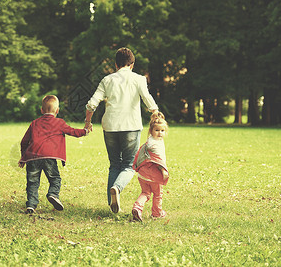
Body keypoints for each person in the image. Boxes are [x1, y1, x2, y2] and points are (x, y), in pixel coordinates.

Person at [84, 47, 159, 213]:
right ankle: (117, 188)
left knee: (114, 164)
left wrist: (88, 122)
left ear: (116, 64)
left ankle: (112, 205)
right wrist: (155, 111)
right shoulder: (138, 79)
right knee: (129, 165)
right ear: (131, 64)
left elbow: (92, 104)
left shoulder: (107, 80)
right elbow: (147, 98)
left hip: (110, 127)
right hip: (131, 127)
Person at [19, 95, 89, 214]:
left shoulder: (34, 123)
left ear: (41, 110)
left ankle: (31, 205)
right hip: (49, 157)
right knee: (55, 179)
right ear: (57, 110)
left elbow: (24, 141)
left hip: (32, 157)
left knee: (32, 182)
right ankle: (53, 194)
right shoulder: (59, 123)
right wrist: (85, 131)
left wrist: (23, 157)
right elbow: (73, 132)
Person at [132, 112, 169, 222]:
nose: (159, 133)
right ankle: (157, 213)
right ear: (151, 131)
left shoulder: (150, 142)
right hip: (154, 176)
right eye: (156, 130)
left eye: (162, 130)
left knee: (145, 193)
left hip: (143, 175)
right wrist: (163, 171)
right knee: (157, 194)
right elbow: (158, 159)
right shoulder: (156, 145)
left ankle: (137, 208)